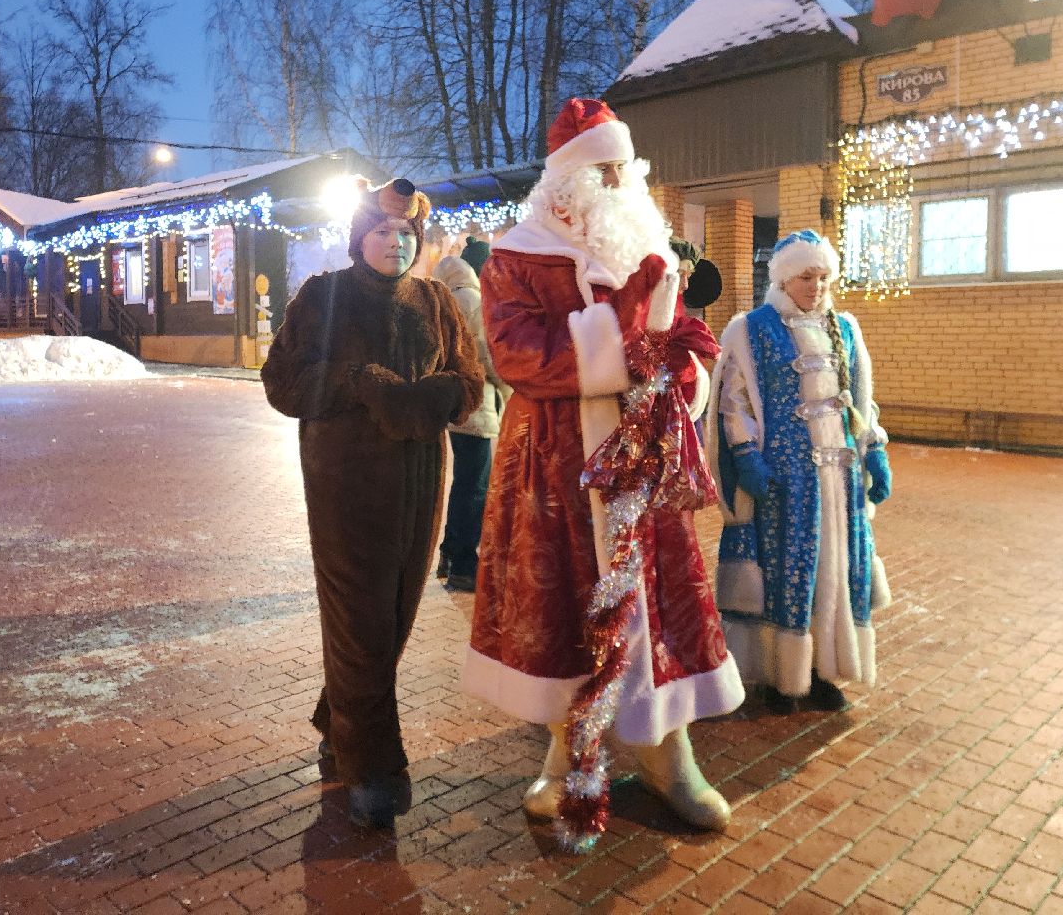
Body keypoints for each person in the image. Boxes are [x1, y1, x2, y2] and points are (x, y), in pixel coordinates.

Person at [462, 97, 743, 844]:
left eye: (624, 169)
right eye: (603, 170)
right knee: (568, 609)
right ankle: (567, 749)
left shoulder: (648, 247)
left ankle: (666, 753)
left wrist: (681, 374)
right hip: (557, 463)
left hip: (644, 460)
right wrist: (623, 327)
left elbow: (688, 344)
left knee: (655, 602)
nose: (617, 182)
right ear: (566, 181)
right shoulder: (516, 256)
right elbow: (519, 353)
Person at [261, 177, 485, 828]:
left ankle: (338, 719)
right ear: (360, 237)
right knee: (360, 620)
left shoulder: (438, 299)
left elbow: (471, 380)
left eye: (406, 233)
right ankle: (372, 766)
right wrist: (358, 382)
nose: (395, 242)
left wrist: (427, 399)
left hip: (420, 484)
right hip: (345, 486)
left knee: (394, 619)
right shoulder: (324, 296)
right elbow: (282, 381)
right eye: (383, 231)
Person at [706, 229, 893, 716]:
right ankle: (777, 675)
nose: (817, 286)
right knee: (786, 572)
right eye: (807, 276)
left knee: (835, 570)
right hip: (786, 480)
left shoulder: (845, 328)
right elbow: (733, 401)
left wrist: (872, 449)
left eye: (823, 276)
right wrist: (746, 456)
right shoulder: (751, 329)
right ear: (785, 279)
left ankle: (821, 671)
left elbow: (861, 397)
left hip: (839, 481)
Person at [432, 245, 510, 592]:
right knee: (475, 487)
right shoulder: (473, 301)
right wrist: (509, 389)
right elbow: (487, 356)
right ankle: (465, 564)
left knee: (464, 483)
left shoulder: (441, 295)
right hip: (475, 405)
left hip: (450, 403)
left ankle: (449, 553)